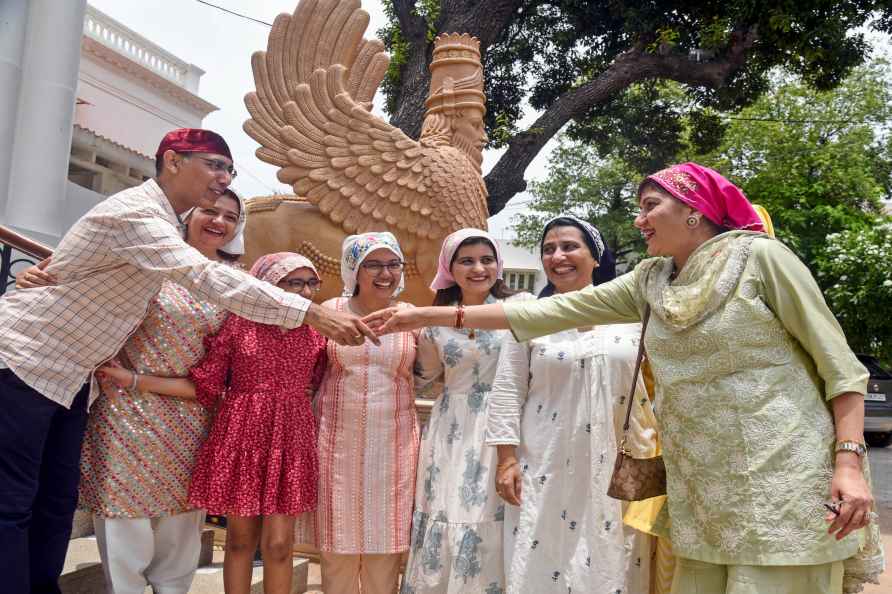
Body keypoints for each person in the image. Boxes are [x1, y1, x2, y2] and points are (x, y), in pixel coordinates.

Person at [367, 163, 883, 594]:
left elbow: (839, 366)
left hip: (782, 477)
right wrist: (426, 316)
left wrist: (850, 463)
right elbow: (546, 314)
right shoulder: (651, 281)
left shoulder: (762, 259)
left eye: (651, 206)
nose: (639, 221)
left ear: (695, 209)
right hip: (700, 485)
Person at [0, 128, 375, 594]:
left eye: (229, 172)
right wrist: (309, 312)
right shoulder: (140, 215)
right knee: (14, 503)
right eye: (215, 166)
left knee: (55, 501)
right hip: (29, 364)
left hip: (81, 382)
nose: (223, 180)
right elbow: (197, 273)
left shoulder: (164, 231)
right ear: (174, 161)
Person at [15, 188, 247, 594]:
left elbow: (229, 360)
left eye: (230, 217)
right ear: (187, 215)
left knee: (181, 526)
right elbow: (77, 287)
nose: (219, 222)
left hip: (191, 415)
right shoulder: (139, 259)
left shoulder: (232, 282)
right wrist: (31, 277)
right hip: (123, 411)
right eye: (210, 210)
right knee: (125, 522)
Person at [100, 252, 327, 594]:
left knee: (280, 544)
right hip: (242, 437)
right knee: (239, 541)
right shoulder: (239, 324)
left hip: (289, 440)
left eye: (311, 282)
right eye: (293, 282)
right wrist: (133, 379)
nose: (306, 292)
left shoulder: (316, 333)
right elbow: (205, 384)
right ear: (266, 286)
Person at [485, 216, 658, 594]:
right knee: (541, 558)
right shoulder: (530, 317)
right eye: (548, 249)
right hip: (544, 464)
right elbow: (507, 392)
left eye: (569, 246)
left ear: (595, 258)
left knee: (615, 557)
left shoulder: (633, 316)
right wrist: (506, 460)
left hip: (616, 468)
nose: (557, 256)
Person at [399, 228, 530, 594]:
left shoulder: (520, 305)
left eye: (487, 260)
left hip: (505, 425)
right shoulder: (434, 322)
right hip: (450, 429)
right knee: (445, 510)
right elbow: (422, 379)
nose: (478, 268)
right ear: (449, 267)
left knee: (492, 515)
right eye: (467, 260)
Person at [296, 232, 420, 594]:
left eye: (392, 264)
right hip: (337, 444)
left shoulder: (410, 315)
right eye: (373, 265)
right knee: (337, 548)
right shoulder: (329, 312)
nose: (385, 273)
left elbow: (432, 369)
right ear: (355, 270)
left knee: (386, 547)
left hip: (393, 446)